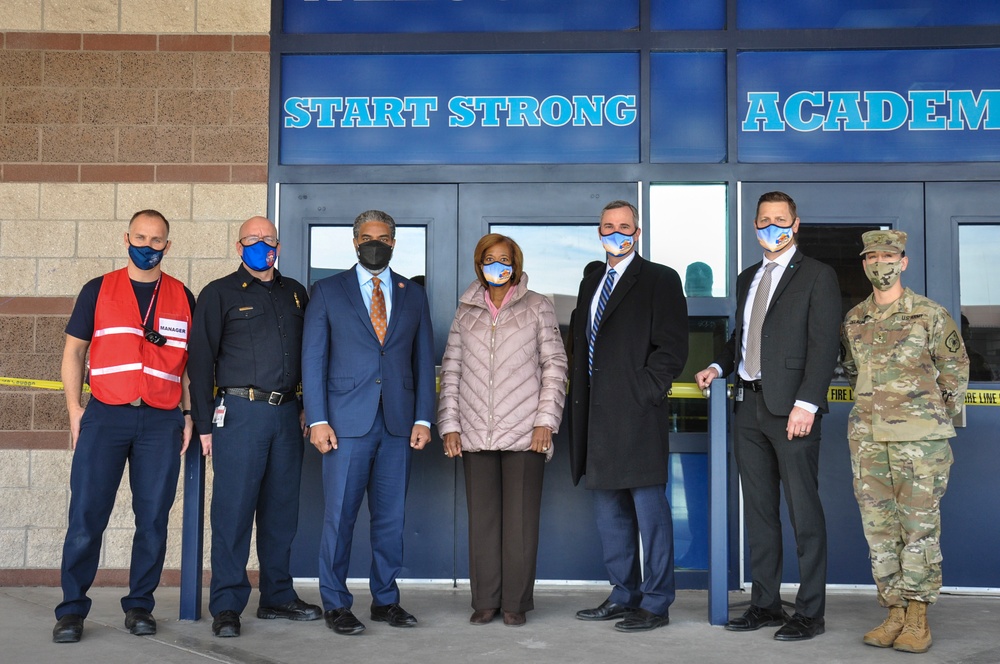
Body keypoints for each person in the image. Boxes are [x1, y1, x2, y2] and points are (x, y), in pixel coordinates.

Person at [695, 191, 841, 641]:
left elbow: (824, 344)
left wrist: (808, 403)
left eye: (781, 220)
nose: (772, 227)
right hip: (748, 406)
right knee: (759, 513)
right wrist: (719, 366)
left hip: (792, 410)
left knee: (803, 514)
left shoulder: (818, 275)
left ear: (796, 224)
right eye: (764, 220)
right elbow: (742, 337)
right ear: (754, 226)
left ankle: (810, 613)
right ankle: (765, 603)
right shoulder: (747, 279)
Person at [53, 210, 196, 643]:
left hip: (160, 420)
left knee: (152, 518)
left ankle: (139, 607)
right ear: (126, 238)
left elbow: (187, 366)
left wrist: (188, 415)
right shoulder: (97, 290)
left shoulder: (183, 296)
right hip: (106, 415)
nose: (148, 246)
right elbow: (74, 352)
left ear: (167, 246)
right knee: (86, 516)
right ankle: (72, 610)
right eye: (141, 237)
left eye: (157, 241)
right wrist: (75, 409)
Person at [302, 209, 436, 635]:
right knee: (339, 517)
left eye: (382, 237)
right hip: (344, 425)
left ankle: (385, 599)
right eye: (366, 236)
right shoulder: (326, 291)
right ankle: (336, 603)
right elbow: (314, 358)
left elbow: (423, 358)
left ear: (393, 243)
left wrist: (423, 418)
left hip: (398, 425)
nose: (374, 243)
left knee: (390, 518)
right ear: (355, 241)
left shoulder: (412, 293)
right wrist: (318, 418)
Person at [188, 216, 322, 638]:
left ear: (279, 245)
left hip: (286, 415)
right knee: (233, 511)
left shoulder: (296, 293)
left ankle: (277, 596)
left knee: (281, 511)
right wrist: (205, 421)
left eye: (269, 239)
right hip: (239, 415)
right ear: (238, 245)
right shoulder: (218, 293)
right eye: (254, 239)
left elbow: (309, 355)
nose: (263, 245)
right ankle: (227, 605)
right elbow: (199, 360)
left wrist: (306, 404)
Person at [841, 230, 969, 654]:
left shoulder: (930, 314)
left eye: (889, 256)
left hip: (921, 443)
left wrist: (932, 420)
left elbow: (954, 369)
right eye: (872, 256)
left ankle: (918, 618)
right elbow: (850, 369)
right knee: (879, 531)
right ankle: (893, 612)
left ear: (904, 262)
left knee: (919, 530)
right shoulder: (855, 319)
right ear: (864, 264)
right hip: (869, 442)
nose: (881, 263)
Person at [568, 200, 688, 632]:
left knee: (650, 516)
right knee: (610, 515)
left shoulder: (659, 279)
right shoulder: (591, 280)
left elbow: (672, 348)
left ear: (637, 233)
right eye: (608, 226)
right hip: (595, 418)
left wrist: (642, 391)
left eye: (624, 227)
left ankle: (656, 602)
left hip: (636, 415)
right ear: (598, 232)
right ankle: (623, 594)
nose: (616, 233)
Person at [438, 233, 568, 627]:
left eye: (505, 260)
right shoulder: (466, 311)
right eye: (490, 260)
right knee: (483, 521)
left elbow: (555, 367)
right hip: (475, 432)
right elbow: (452, 369)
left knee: (520, 523)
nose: (498, 266)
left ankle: (515, 602)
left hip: (526, 433)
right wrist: (450, 424)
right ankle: (485, 600)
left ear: (516, 264)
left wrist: (546, 422)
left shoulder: (537, 307)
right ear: (479, 265)